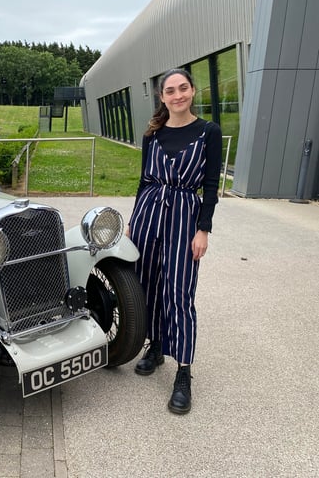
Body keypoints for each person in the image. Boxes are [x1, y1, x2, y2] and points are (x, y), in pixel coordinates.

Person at [127, 68, 222, 414]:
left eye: (183, 88)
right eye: (170, 90)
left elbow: (210, 185)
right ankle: (155, 347)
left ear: (193, 91)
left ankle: (183, 370)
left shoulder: (208, 132)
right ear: (162, 97)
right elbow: (143, 180)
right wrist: (132, 220)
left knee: (179, 292)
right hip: (148, 216)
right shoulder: (152, 134)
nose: (177, 95)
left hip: (184, 216)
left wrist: (203, 229)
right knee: (146, 285)